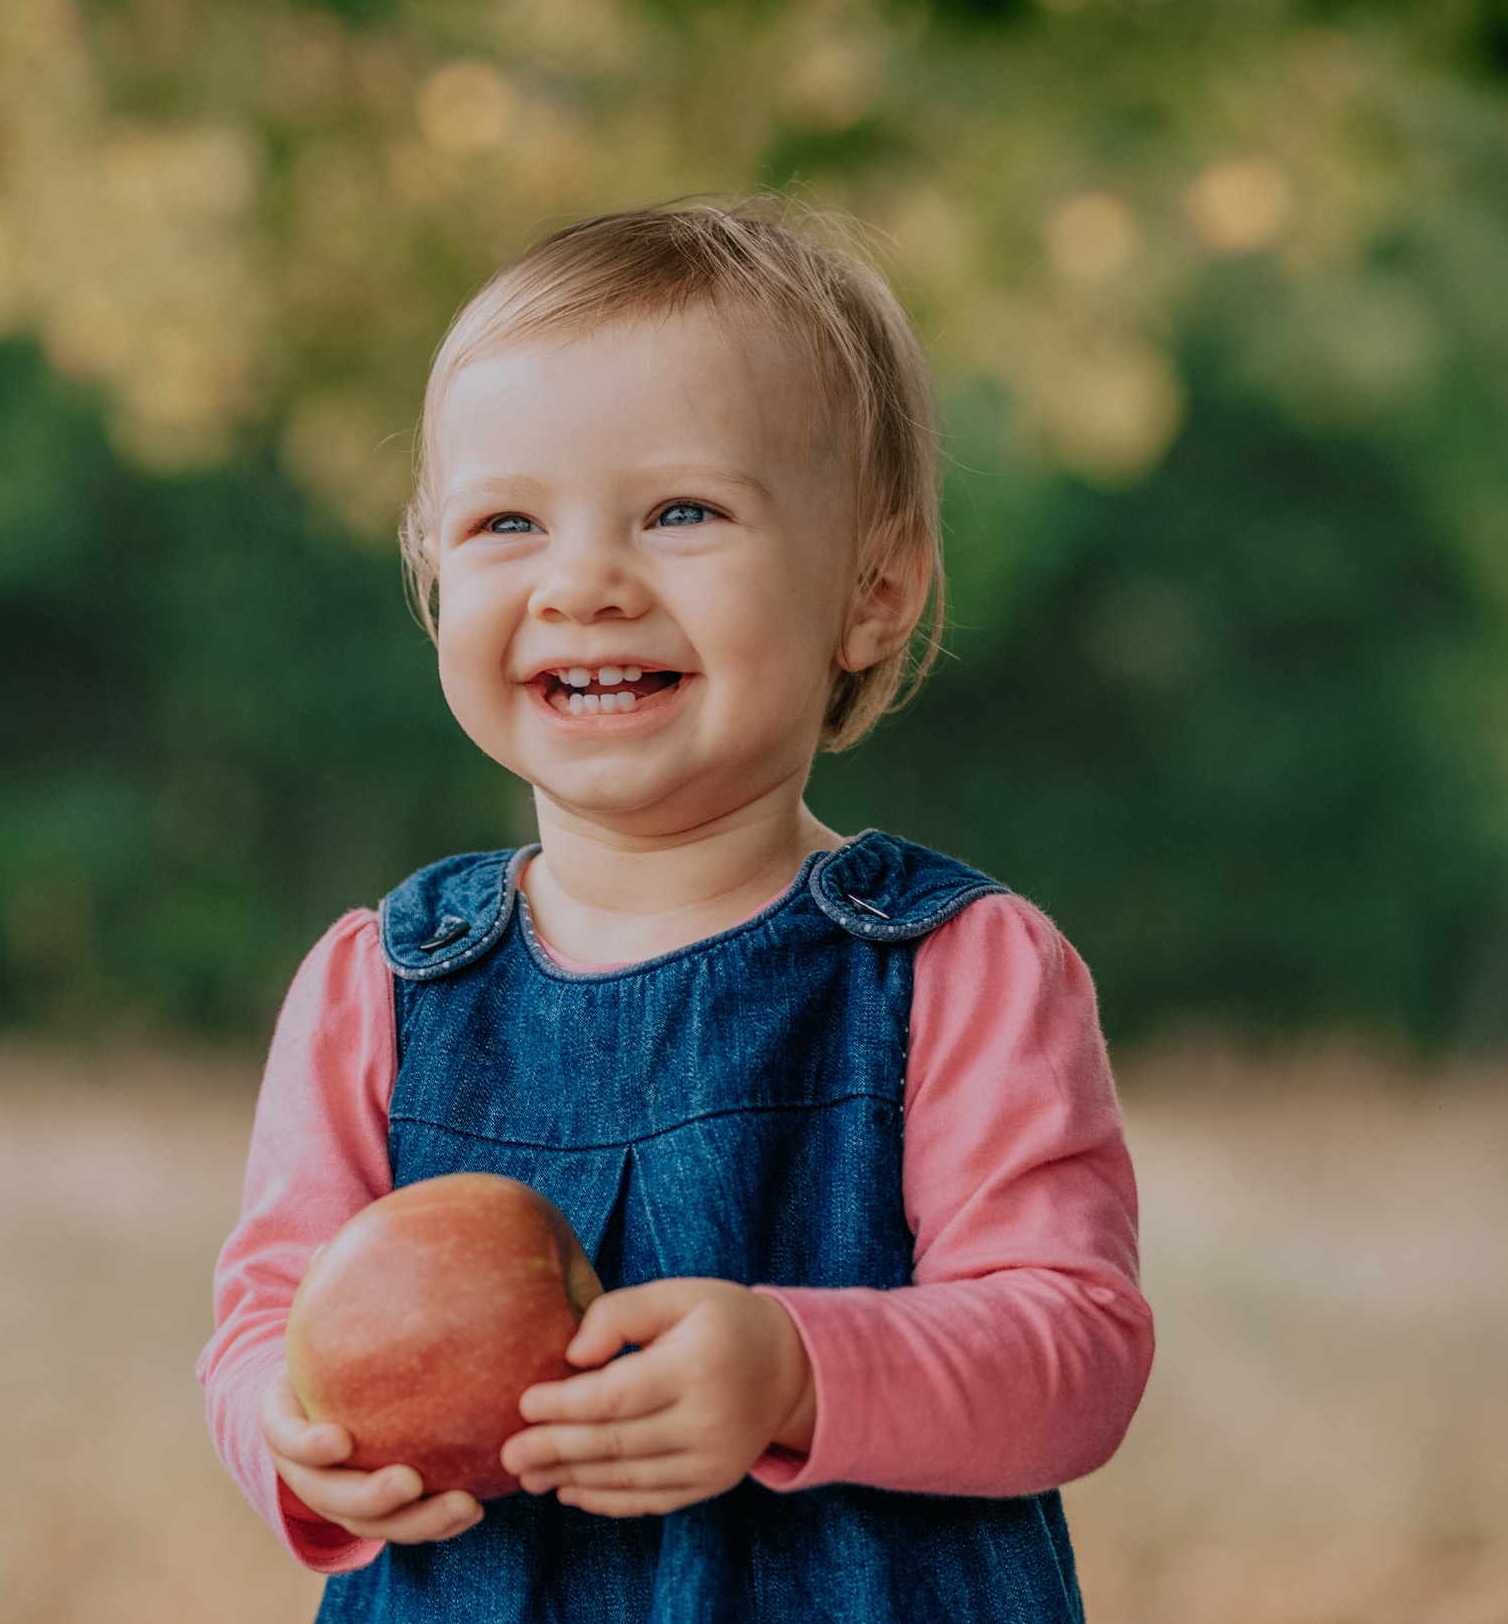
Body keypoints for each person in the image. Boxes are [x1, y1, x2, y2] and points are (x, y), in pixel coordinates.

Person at [196, 200, 1153, 1622]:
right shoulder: (380, 984)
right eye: (506, 521)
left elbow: (1075, 1351)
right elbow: (273, 1316)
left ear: (873, 594)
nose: (583, 583)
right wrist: (290, 1431)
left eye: (682, 512)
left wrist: (794, 1367)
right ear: (433, 578)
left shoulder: (957, 970)